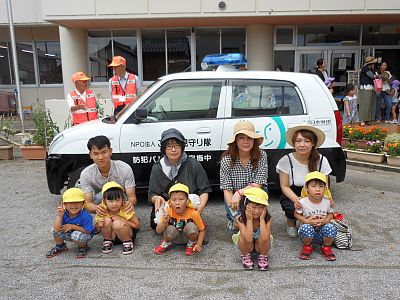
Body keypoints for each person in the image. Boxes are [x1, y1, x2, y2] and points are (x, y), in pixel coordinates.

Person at [148, 128, 211, 230]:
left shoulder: (194, 164)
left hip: (187, 204)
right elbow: (152, 194)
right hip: (169, 205)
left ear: (182, 147)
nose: (173, 150)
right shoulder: (157, 167)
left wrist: (199, 209)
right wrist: (156, 199)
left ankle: (189, 220)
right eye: (169, 147)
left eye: (176, 146)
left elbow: (204, 190)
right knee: (157, 224)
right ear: (164, 149)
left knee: (194, 198)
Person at [276, 124, 332, 238]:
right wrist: (298, 200)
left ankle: (315, 222)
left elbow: (325, 185)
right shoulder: (285, 161)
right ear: (294, 143)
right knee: (292, 207)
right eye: (298, 141)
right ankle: (291, 222)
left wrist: (327, 200)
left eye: (306, 141)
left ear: (313, 143)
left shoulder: (321, 161)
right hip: (294, 194)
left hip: (316, 194)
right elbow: (284, 186)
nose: (302, 144)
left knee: (323, 207)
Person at [220, 120, 268, 231]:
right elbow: (227, 190)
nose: (246, 142)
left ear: (254, 140)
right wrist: (235, 215)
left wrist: (240, 192)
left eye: (250, 138)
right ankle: (233, 219)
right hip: (235, 198)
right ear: (235, 140)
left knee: (256, 230)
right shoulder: (226, 160)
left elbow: (259, 183)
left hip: (255, 193)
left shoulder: (262, 155)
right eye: (241, 138)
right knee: (238, 223)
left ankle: (259, 219)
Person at [79, 135, 137, 215]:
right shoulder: (86, 174)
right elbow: (88, 203)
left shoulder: (124, 168)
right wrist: (100, 209)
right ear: (91, 155)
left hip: (120, 203)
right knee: (99, 197)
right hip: (100, 204)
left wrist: (128, 206)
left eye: (104, 152)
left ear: (110, 151)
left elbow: (132, 197)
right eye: (96, 154)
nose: (100, 157)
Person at [294, 171, 337, 261]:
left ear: (325, 188)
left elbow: (330, 214)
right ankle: (307, 246)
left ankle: (326, 247)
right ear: (306, 188)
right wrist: (306, 221)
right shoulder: (302, 202)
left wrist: (325, 221)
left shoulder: (327, 202)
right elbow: (296, 214)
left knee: (331, 227)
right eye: (313, 186)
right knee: (305, 227)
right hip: (308, 232)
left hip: (322, 232)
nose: (317, 189)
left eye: (321, 186)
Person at [154, 183, 205, 256]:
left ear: (187, 201)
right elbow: (158, 231)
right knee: (170, 228)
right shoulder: (168, 211)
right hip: (173, 239)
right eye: (174, 200)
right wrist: (165, 222)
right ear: (170, 202)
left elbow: (202, 230)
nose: (177, 203)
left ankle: (191, 244)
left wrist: (199, 243)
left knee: (191, 226)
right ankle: (166, 243)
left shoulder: (194, 213)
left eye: (181, 199)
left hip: (187, 238)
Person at [46, 188, 94, 259]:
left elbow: (88, 231)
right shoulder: (64, 213)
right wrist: (60, 216)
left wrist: (73, 226)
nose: (74, 205)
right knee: (54, 229)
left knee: (77, 235)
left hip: (84, 234)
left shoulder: (86, 216)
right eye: (70, 203)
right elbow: (56, 229)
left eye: (77, 202)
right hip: (69, 232)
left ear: (83, 203)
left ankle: (83, 247)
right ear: (64, 204)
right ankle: (60, 246)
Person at [95, 181, 140, 255]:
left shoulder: (125, 209)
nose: (114, 204)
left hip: (126, 233)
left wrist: (121, 219)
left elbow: (137, 225)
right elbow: (97, 229)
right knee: (106, 221)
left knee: (117, 223)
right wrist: (99, 225)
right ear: (104, 201)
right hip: (111, 235)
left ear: (123, 199)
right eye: (110, 200)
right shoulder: (103, 210)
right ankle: (107, 240)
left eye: (118, 200)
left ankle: (127, 242)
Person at [233, 187, 272, 271]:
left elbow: (265, 238)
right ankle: (246, 255)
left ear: (265, 208)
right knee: (242, 238)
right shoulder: (240, 219)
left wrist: (262, 219)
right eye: (253, 207)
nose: (257, 211)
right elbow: (248, 238)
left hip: (260, 245)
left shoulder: (267, 219)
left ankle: (263, 255)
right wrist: (249, 220)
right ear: (245, 206)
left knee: (267, 238)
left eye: (261, 207)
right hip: (247, 245)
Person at [359, 56, 378, 125]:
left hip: (371, 88)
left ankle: (368, 120)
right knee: (365, 104)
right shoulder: (365, 68)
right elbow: (372, 76)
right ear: (371, 63)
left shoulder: (370, 69)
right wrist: (378, 76)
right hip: (366, 88)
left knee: (370, 104)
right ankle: (363, 120)